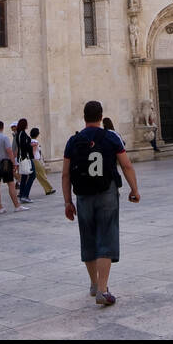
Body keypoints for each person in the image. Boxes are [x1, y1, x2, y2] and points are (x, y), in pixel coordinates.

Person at [63, 99, 140, 307]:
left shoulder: (73, 140)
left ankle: (94, 284)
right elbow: (126, 166)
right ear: (101, 115)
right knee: (106, 236)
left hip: (82, 195)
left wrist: (67, 202)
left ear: (84, 116)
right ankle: (103, 290)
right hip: (106, 192)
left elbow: (65, 174)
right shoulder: (111, 137)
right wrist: (134, 189)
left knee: (88, 237)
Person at [0, 120, 26, 214]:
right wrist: (14, 163)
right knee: (11, 185)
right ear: (2, 127)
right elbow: (9, 151)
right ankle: (17, 206)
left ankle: (0, 208)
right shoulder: (5, 138)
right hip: (5, 165)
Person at [28, 127, 55, 195]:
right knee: (42, 175)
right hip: (36, 160)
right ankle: (49, 188)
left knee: (39, 176)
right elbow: (33, 151)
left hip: (34, 160)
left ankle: (47, 189)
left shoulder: (30, 141)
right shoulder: (35, 142)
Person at [16, 118, 35, 203]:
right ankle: (25, 195)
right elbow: (24, 146)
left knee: (24, 176)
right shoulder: (22, 134)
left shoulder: (19, 134)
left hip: (23, 157)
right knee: (32, 175)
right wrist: (30, 146)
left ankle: (22, 194)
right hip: (26, 157)